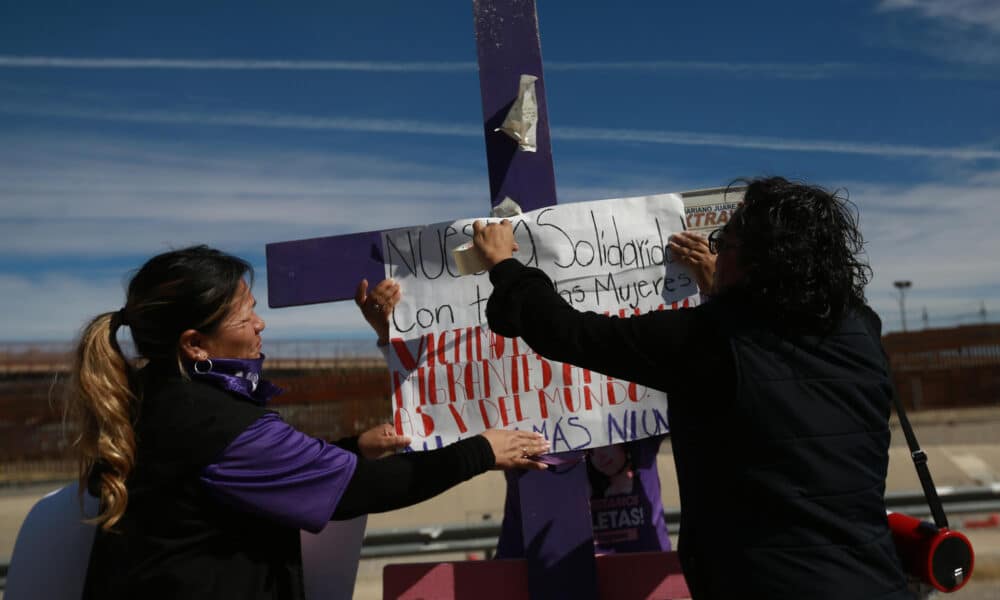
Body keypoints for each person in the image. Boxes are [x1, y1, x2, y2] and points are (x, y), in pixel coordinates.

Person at [471, 177, 913, 599]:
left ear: (756, 261)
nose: (715, 254)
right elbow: (777, 360)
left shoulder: (711, 339)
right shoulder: (861, 328)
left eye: (725, 244)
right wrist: (724, 295)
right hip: (877, 582)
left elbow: (570, 333)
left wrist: (506, 267)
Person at [67, 245, 549, 600]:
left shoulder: (151, 399)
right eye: (246, 316)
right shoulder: (215, 422)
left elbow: (245, 478)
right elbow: (363, 491)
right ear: (195, 344)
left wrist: (349, 447)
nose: (261, 325)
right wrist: (482, 450)